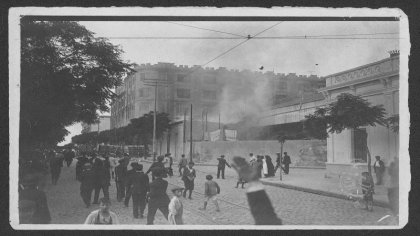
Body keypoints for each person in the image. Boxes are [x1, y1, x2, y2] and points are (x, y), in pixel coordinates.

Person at [231, 156, 282, 225]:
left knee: (260, 214)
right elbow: (251, 176)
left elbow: (250, 177)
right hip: (257, 191)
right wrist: (254, 169)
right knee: (267, 213)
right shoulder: (249, 168)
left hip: (254, 191)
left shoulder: (247, 169)